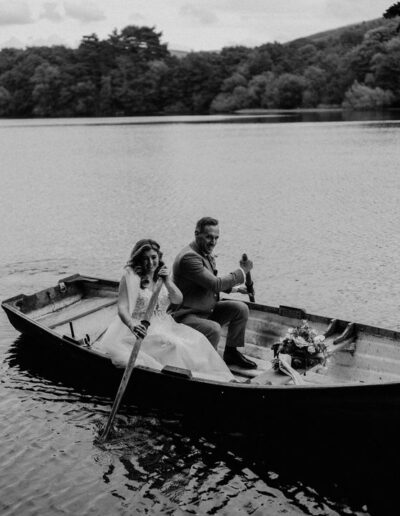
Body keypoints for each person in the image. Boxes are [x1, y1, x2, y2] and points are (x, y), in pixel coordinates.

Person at [98, 239, 234, 383]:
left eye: (153, 257)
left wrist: (167, 280)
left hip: (164, 324)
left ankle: (207, 379)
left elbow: (177, 300)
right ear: (138, 259)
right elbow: (122, 308)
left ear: (159, 257)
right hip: (140, 327)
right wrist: (132, 325)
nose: (150, 263)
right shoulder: (130, 277)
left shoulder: (161, 276)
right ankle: (178, 380)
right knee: (174, 345)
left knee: (198, 340)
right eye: (145, 259)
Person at [172, 217, 257, 369]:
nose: (213, 242)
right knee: (214, 329)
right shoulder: (189, 257)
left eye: (216, 238)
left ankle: (231, 353)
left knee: (241, 309)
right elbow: (215, 284)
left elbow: (208, 281)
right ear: (197, 233)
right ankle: (205, 366)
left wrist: (236, 289)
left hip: (205, 310)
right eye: (209, 237)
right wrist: (243, 271)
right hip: (185, 315)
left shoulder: (203, 252)